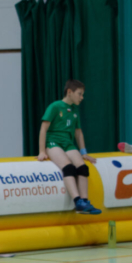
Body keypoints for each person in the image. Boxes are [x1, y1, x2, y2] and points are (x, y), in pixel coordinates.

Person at [37, 80, 101, 215]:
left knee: (83, 167)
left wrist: (83, 152)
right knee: (68, 167)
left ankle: (84, 201)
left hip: (68, 143)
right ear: (69, 92)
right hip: (53, 142)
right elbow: (43, 129)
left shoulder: (74, 110)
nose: (82, 97)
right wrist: (42, 151)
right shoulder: (55, 106)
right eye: (80, 94)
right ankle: (77, 201)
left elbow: (78, 132)